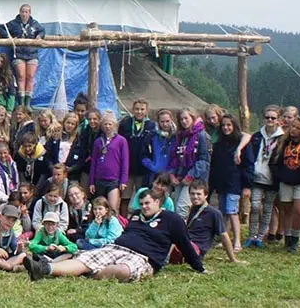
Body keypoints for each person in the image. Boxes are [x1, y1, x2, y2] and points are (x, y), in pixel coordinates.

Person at [24, 189, 205, 283]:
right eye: (141, 203)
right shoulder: (135, 217)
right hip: (117, 248)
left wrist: (200, 267)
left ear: (158, 202)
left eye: (148, 203)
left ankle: (89, 273)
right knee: (86, 258)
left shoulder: (172, 220)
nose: (144, 207)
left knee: (124, 271)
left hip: (144, 258)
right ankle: (44, 269)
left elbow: (185, 245)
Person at [270, 115, 300, 252]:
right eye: (292, 127)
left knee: (299, 210)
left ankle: (296, 239)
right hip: (286, 180)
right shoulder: (284, 143)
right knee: (286, 210)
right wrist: (279, 174)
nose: (293, 130)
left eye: (298, 128)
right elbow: (275, 160)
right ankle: (288, 237)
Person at [208, 114, 254, 251]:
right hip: (221, 182)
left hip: (235, 182)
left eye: (229, 125)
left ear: (234, 126)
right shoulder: (219, 144)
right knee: (223, 211)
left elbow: (248, 165)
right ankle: (225, 238)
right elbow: (215, 165)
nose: (226, 128)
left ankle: (237, 241)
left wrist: (247, 185)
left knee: (232, 210)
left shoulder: (242, 143)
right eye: (223, 125)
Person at [175, 181, 244, 266]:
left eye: (199, 194)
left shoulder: (214, 213)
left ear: (206, 195)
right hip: (185, 242)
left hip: (195, 249)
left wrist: (233, 259)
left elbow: (224, 236)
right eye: (192, 194)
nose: (195, 197)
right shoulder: (192, 209)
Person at [245, 105, 283, 249]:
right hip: (256, 177)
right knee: (255, 206)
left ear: (278, 120)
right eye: (267, 117)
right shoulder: (257, 136)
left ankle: (260, 236)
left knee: (268, 208)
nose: (270, 120)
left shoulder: (282, 138)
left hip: (272, 178)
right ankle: (251, 235)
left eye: (273, 118)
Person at [168, 108, 210, 218]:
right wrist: (172, 174)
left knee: (182, 208)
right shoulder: (181, 137)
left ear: (193, 118)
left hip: (195, 178)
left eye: (186, 118)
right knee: (176, 206)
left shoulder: (201, 135)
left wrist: (191, 176)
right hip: (180, 177)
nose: (184, 121)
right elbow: (175, 158)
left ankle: (181, 234)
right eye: (181, 119)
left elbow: (204, 160)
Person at [0, 4, 44, 107]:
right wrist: (9, 37)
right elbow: (2, 28)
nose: (24, 14)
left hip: (32, 53)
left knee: (30, 76)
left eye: (26, 12)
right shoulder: (14, 23)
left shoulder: (34, 24)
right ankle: (21, 103)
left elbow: (42, 30)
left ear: (29, 13)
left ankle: (27, 104)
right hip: (19, 53)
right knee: (21, 76)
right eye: (23, 12)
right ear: (19, 12)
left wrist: (39, 36)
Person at [118, 99, 157, 211]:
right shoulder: (125, 123)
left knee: (143, 198)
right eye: (137, 109)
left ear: (146, 111)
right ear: (132, 110)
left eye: (142, 109)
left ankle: (141, 222)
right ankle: (123, 223)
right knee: (125, 198)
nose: (139, 112)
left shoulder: (152, 126)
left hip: (143, 169)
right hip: (127, 168)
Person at [90, 113, 130, 213]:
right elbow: (94, 162)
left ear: (115, 125)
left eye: (110, 124)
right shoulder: (98, 141)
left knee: (113, 209)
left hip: (114, 180)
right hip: (99, 179)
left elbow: (125, 161)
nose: (107, 127)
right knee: (99, 209)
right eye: (105, 124)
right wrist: (91, 182)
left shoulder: (121, 141)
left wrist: (123, 180)